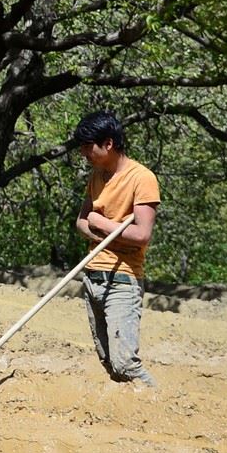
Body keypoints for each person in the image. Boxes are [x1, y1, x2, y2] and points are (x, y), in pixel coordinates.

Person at [71, 110, 160, 387]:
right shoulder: (97, 177)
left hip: (122, 280)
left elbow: (142, 234)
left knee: (125, 363)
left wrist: (101, 223)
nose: (84, 154)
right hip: (93, 275)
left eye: (89, 148)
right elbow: (82, 222)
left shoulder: (142, 178)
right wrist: (99, 232)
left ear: (108, 144)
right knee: (109, 361)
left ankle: (159, 403)